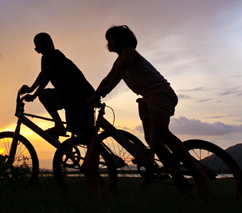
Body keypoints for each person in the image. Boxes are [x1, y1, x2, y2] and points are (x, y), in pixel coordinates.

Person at [89, 25, 210, 195]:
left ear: (123, 39)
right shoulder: (118, 60)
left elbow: (117, 74)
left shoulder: (129, 52)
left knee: (161, 133)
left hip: (159, 93)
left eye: (113, 38)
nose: (109, 42)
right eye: (108, 39)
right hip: (147, 98)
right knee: (152, 140)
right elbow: (107, 78)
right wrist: (94, 96)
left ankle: (198, 176)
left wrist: (106, 91)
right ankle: (179, 180)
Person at [19, 32, 95, 138]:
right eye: (45, 47)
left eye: (51, 45)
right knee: (81, 135)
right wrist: (34, 95)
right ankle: (59, 125)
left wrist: (31, 89)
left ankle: (59, 126)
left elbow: (45, 73)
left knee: (87, 137)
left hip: (81, 96)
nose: (49, 49)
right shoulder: (45, 59)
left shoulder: (57, 55)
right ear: (37, 50)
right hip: (69, 97)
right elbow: (45, 79)